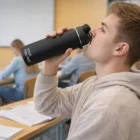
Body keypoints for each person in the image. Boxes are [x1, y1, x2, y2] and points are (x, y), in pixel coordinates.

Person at [34, 2, 140, 140]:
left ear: (120, 49)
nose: (92, 32)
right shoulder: (94, 84)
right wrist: (50, 65)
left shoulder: (108, 106)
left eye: (103, 29)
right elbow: (48, 105)